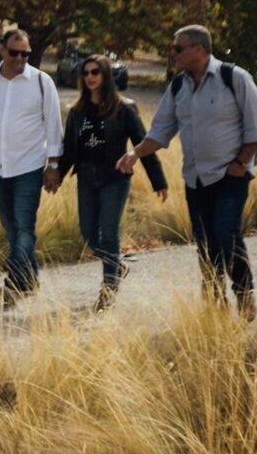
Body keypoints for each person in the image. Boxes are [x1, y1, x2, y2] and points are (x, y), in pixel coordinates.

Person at [119, 25, 257, 319]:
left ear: (199, 50)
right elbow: (161, 130)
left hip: (231, 176)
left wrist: (240, 164)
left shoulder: (234, 78)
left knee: (224, 233)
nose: (172, 54)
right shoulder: (178, 86)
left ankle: (243, 292)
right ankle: (215, 298)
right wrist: (135, 153)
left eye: (178, 48)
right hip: (195, 178)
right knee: (205, 241)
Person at [46, 57, 167, 310]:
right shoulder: (77, 111)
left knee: (109, 232)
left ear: (106, 77)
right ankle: (116, 266)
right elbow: (69, 149)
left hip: (115, 178)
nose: (90, 77)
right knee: (88, 232)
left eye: (96, 72)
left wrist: (158, 181)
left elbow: (142, 145)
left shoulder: (124, 109)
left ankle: (108, 287)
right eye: (86, 72)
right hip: (87, 179)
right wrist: (56, 174)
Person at [0, 28, 62, 308]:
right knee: (11, 230)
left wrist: (53, 164)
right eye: (14, 52)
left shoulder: (42, 83)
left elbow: (54, 126)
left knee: (24, 228)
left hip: (29, 167)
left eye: (26, 53)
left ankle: (13, 283)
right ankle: (30, 277)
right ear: (1, 49)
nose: (20, 58)